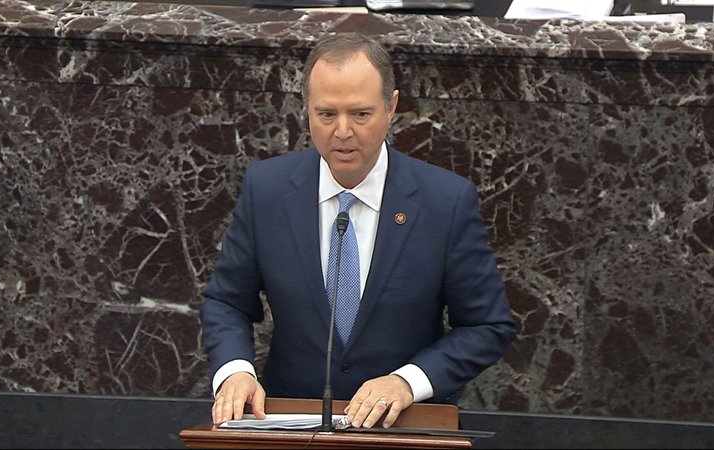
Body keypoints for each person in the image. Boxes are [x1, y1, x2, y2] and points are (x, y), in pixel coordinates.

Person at [200, 32, 515, 430]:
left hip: (404, 424)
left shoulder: (444, 202)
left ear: (391, 107)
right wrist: (235, 370)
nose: (342, 131)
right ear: (306, 110)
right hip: (290, 422)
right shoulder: (267, 191)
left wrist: (408, 382)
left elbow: (487, 325)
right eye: (326, 114)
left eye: (360, 114)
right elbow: (226, 302)